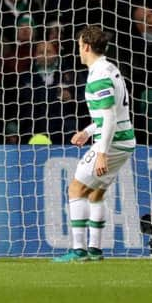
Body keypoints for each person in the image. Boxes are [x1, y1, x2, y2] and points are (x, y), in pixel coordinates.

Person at [53, 26, 135, 262]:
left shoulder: (99, 74)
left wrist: (101, 152)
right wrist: (88, 131)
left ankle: (79, 251)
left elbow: (109, 116)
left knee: (76, 189)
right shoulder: (108, 68)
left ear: (86, 46)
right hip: (124, 140)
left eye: (79, 45)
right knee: (95, 194)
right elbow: (112, 112)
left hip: (113, 143)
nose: (78, 50)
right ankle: (95, 250)